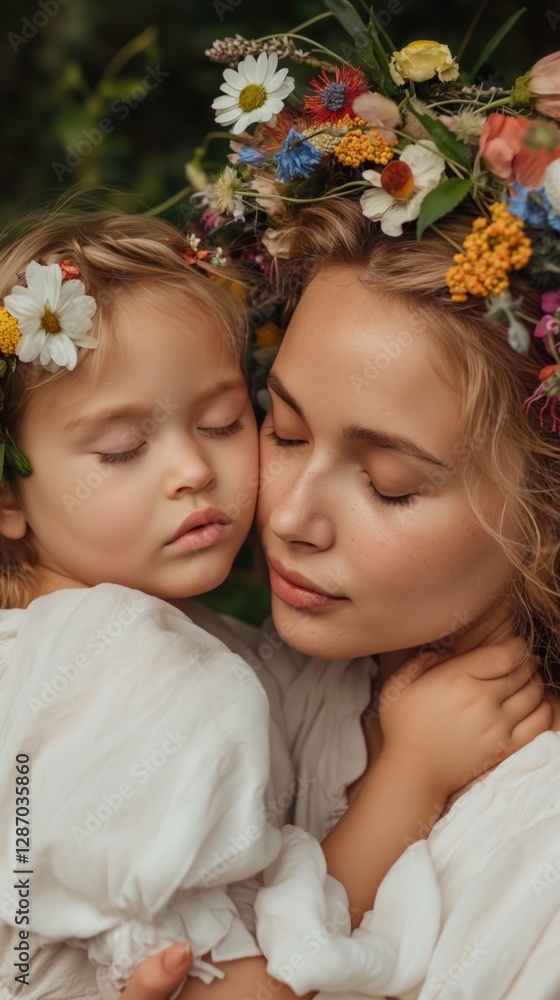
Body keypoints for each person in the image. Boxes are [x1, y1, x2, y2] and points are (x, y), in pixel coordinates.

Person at [0, 206, 546, 1000]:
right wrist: (411, 776)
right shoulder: (135, 668)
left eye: (230, 423)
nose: (285, 519)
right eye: (285, 433)